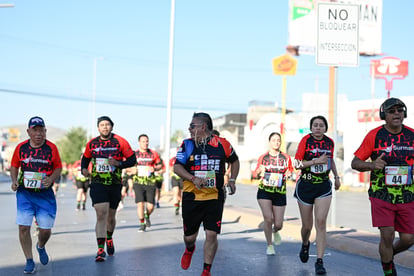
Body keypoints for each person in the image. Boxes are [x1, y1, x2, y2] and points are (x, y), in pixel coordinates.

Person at [351, 98, 414, 276]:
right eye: (392, 111)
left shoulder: (412, 135)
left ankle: (387, 256)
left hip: (407, 195)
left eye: (400, 110)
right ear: (383, 115)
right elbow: (355, 162)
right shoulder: (374, 136)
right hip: (381, 194)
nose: (397, 113)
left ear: (405, 114)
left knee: (409, 238)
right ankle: (388, 270)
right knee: (387, 236)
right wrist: (372, 166)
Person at [174, 112, 240, 276]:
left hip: (215, 196)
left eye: (192, 126)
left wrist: (232, 180)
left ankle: (206, 270)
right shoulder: (187, 144)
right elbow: (177, 167)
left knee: (211, 234)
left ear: (203, 127)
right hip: (192, 196)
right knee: (190, 237)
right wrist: (193, 178)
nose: (189, 129)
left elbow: (235, 160)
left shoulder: (222, 144)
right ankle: (189, 249)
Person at [10, 116, 62, 274]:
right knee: (24, 227)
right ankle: (29, 260)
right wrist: (14, 181)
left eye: (41, 130)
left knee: (45, 230)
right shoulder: (21, 148)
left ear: (45, 132)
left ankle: (40, 246)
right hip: (25, 193)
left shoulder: (51, 148)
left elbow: (58, 168)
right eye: (35, 130)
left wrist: (51, 179)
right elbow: (14, 166)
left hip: (45, 195)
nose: (38, 133)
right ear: (28, 131)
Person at [81, 116, 136, 262]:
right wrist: (83, 169)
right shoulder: (92, 143)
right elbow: (85, 159)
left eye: (107, 125)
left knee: (110, 217)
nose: (105, 127)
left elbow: (132, 160)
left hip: (115, 183)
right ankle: (100, 249)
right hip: (98, 182)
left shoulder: (120, 141)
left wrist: (118, 163)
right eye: (102, 125)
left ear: (112, 127)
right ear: (98, 128)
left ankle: (109, 237)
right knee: (101, 214)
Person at [293, 115, 341, 275]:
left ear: (325, 128)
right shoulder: (305, 141)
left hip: (323, 186)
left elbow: (331, 160)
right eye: (315, 125)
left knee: (320, 223)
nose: (318, 128)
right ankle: (305, 243)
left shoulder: (330, 142)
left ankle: (319, 261)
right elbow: (296, 164)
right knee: (307, 226)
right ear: (311, 128)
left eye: (321, 125)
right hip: (306, 185)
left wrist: (336, 176)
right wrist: (314, 162)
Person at [254, 132, 293, 255]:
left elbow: (290, 170)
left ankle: (276, 231)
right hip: (264, 191)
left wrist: (289, 173)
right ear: (269, 142)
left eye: (278, 140)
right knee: (268, 218)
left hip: (280, 192)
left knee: (278, 224)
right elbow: (255, 173)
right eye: (273, 140)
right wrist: (259, 171)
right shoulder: (263, 157)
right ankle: (269, 245)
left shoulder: (286, 157)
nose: (276, 142)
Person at [132, 134, 162, 232]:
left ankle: (147, 215)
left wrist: (155, 168)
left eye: (147, 141)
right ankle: (142, 223)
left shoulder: (153, 153)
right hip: (138, 181)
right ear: (139, 142)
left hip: (150, 182)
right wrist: (132, 170)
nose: (145, 143)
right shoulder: (134, 154)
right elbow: (128, 167)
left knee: (150, 206)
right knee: (140, 204)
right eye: (143, 141)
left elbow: (160, 165)